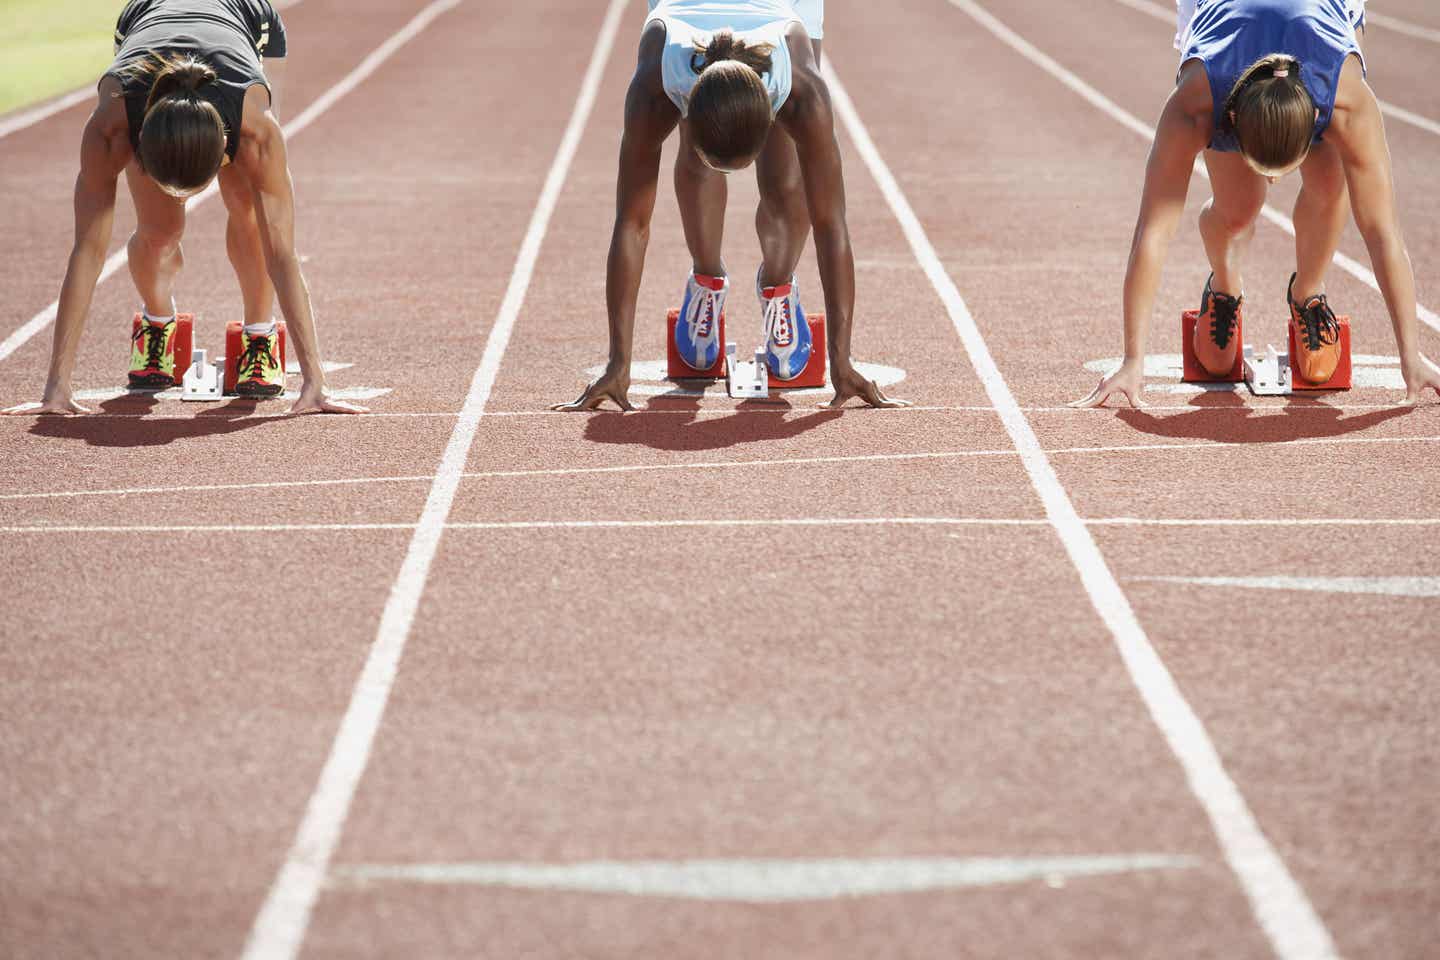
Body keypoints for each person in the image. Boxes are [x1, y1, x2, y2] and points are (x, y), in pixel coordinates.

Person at [4, 0, 362, 416]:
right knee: (159, 232)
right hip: (145, 18)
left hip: (248, 21)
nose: (183, 199)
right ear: (140, 146)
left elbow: (282, 251)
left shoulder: (255, 131)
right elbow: (87, 249)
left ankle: (259, 336)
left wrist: (316, 380)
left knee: (249, 208)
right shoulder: (111, 125)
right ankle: (158, 323)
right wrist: (56, 387)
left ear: (223, 151)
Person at [1075, 0, 1440, 408]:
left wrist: (1412, 355)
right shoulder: (1196, 105)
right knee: (1239, 207)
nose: (1273, 181)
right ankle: (1224, 287)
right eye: (1263, 166)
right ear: (1229, 123)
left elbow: (1381, 229)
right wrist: (1132, 359)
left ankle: (1309, 295)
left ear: (1315, 117)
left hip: (1320, 24)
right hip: (1225, 31)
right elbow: (1153, 230)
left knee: (1331, 179)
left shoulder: (1345, 100)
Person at [555, 0, 908, 411]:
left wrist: (841, 361)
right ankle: (706, 280)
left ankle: (780, 286)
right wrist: (619, 362)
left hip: (781, 8)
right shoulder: (657, 80)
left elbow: (831, 223)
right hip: (684, 14)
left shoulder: (801, 90)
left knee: (787, 175)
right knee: (700, 168)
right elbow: (632, 221)